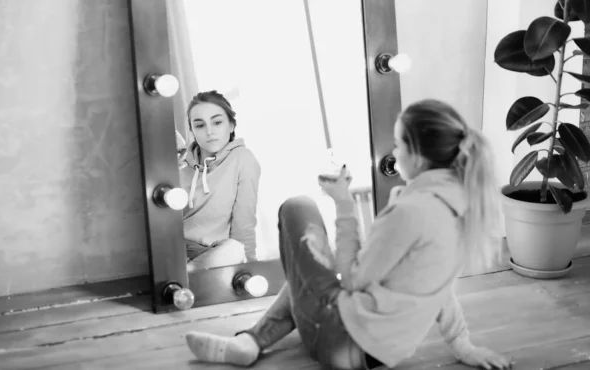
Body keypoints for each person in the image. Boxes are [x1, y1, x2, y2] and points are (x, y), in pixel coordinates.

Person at [185, 99, 513, 369]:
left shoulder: (412, 210)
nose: (395, 152)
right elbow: (437, 286)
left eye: (399, 144)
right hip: (377, 354)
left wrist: (343, 204)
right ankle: (250, 341)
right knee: (308, 269)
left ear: (418, 154)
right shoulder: (461, 206)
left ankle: (252, 340)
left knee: (297, 207)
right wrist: (462, 345)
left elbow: (353, 279)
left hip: (339, 338)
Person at [180, 90, 261, 270]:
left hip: (216, 253)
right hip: (177, 249)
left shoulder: (242, 159)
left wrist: (250, 269)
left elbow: (244, 221)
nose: (210, 132)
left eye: (217, 122)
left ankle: (189, 274)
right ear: (192, 131)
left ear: (231, 125)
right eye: (200, 125)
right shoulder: (179, 165)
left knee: (233, 250)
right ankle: (186, 273)